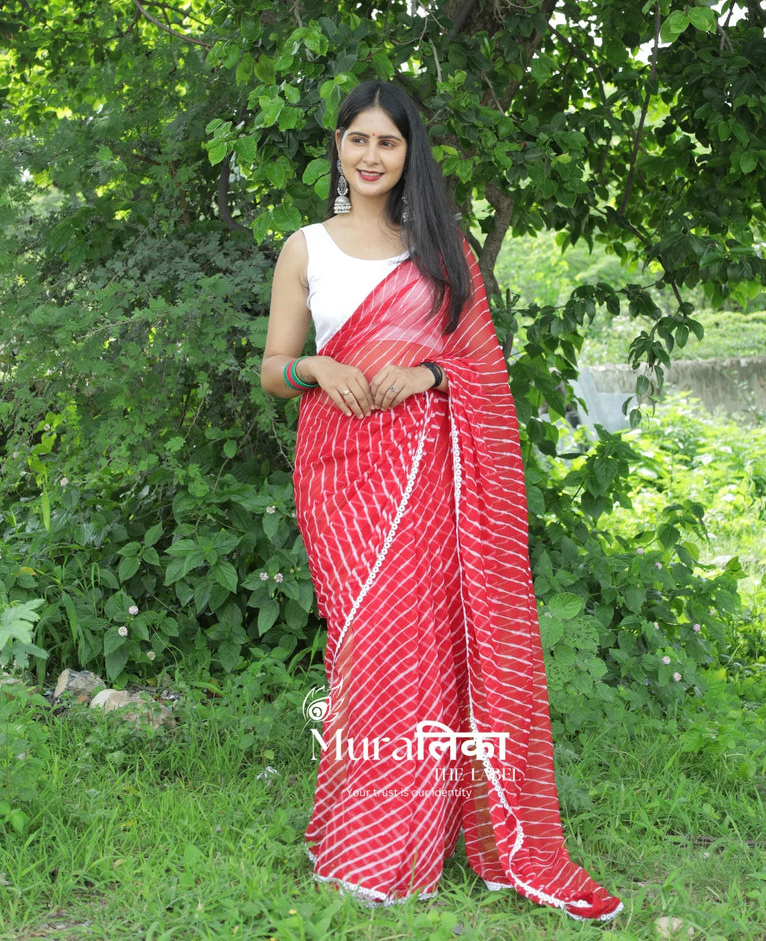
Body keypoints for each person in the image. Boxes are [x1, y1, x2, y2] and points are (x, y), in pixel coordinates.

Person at [260, 80, 623, 922]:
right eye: (358, 140)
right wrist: (315, 366)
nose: (372, 156)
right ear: (339, 148)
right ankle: (363, 834)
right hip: (341, 472)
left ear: (408, 152)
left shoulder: (441, 249)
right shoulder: (306, 247)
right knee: (368, 650)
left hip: (431, 468)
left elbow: (481, 371)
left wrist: (427, 374)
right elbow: (274, 370)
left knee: (423, 647)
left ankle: (407, 846)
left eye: (388, 142)